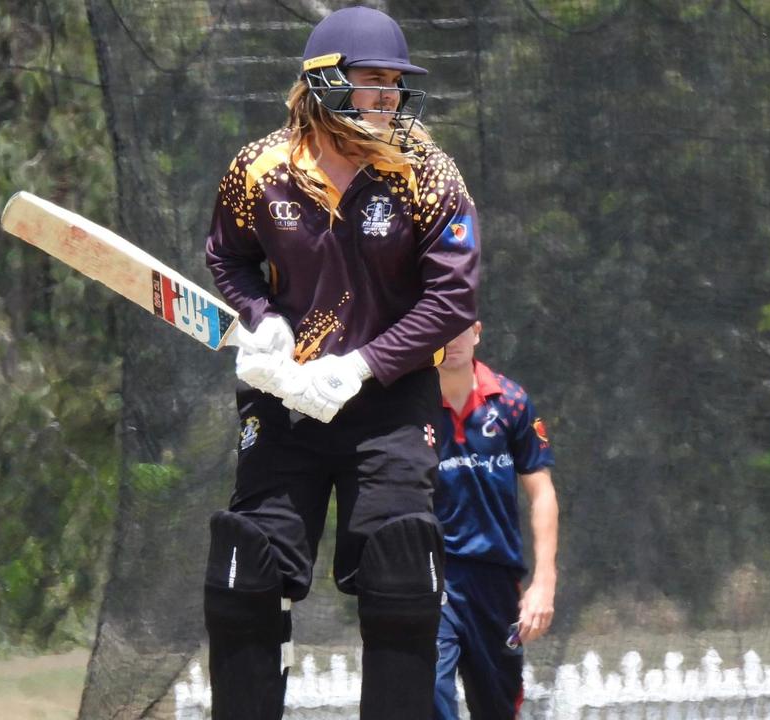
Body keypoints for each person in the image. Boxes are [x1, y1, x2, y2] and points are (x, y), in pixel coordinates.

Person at [201, 6, 481, 719]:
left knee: (400, 571)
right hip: (283, 398)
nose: (389, 99)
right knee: (246, 572)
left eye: (395, 85)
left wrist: (358, 367)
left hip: (388, 401)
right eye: (374, 83)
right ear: (324, 84)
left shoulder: (427, 170)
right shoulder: (258, 170)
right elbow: (227, 261)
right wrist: (260, 327)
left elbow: (452, 300)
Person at [431, 321, 559, 720]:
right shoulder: (409, 405)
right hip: (432, 574)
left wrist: (544, 582)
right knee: (429, 691)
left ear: (477, 332)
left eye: (459, 328)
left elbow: (542, 494)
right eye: (438, 328)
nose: (450, 340)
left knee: (497, 706)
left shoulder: (512, 401)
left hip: (496, 581)